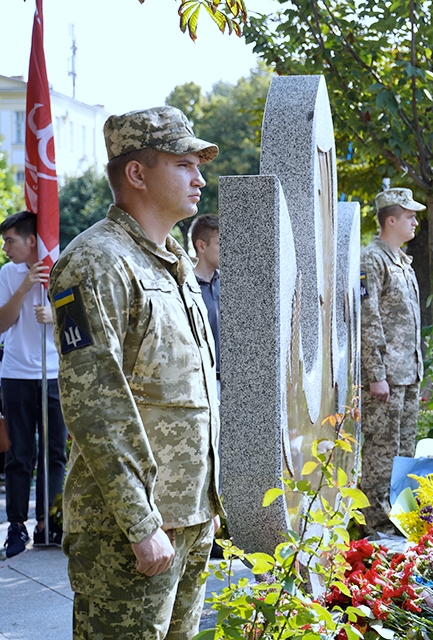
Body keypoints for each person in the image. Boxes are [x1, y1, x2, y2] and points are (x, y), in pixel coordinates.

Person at [48, 106, 222, 638]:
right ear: (137, 173)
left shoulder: (172, 261)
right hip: (130, 529)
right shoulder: (97, 261)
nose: (200, 178)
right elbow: (95, 405)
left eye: (199, 164)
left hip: (189, 514)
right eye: (184, 163)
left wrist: (209, 505)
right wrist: (141, 522)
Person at [0, 211, 68, 557]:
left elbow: (80, 320)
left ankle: (49, 521)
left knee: (55, 453)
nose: (6, 248)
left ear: (31, 241)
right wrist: (25, 287)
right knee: (19, 454)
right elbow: (2, 323)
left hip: (54, 373)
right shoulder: (7, 274)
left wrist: (55, 315)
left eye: (10, 240)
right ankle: (16, 526)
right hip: (16, 374)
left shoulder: (61, 268)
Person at [359, 187, 424, 534]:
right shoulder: (372, 259)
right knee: (381, 451)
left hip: (407, 373)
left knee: (402, 450)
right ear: (391, 219)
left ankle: (395, 516)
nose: (415, 221)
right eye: (409, 215)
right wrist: (376, 373)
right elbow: (369, 319)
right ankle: (376, 524)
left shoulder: (402, 262)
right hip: (386, 376)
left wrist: (416, 373)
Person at [190, 214, 221, 395]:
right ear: (201, 246)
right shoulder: (184, 287)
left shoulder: (229, 285)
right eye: (220, 244)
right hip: (201, 386)